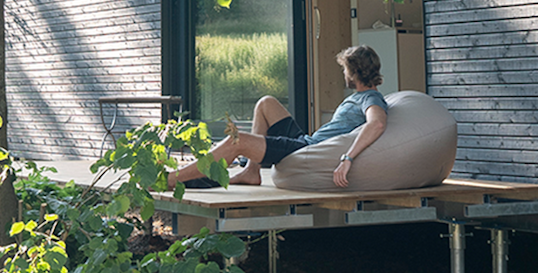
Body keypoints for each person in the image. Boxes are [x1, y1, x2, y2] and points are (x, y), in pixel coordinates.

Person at [166, 44, 388, 191]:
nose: (344, 74)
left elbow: (376, 123)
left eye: (345, 69)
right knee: (266, 103)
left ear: (354, 72)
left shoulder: (370, 99)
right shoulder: (362, 96)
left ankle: (172, 180)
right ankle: (251, 171)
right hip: (307, 142)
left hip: (306, 150)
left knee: (238, 141)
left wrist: (347, 159)